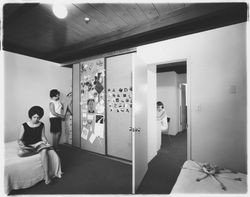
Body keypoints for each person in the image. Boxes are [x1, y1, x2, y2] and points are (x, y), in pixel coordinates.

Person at [17, 106, 54, 184]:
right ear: (31, 116)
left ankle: (47, 176)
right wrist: (21, 144)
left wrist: (46, 142)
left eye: (38, 117)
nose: (36, 119)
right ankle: (36, 151)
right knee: (20, 153)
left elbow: (43, 137)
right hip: (29, 145)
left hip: (38, 143)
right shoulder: (24, 125)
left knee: (44, 150)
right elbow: (20, 139)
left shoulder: (42, 125)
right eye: (34, 117)